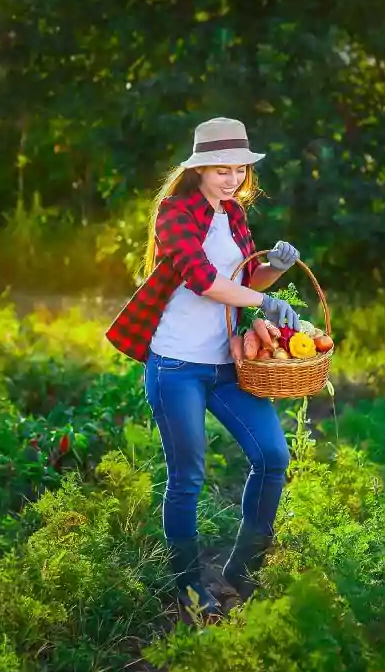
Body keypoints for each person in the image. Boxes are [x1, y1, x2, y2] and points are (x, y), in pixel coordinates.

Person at [106, 116, 301, 619]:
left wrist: (274, 268)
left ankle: (243, 568)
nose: (232, 178)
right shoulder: (174, 213)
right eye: (222, 169)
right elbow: (204, 280)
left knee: (273, 456)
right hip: (176, 366)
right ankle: (188, 585)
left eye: (239, 169)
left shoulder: (234, 213)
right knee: (188, 476)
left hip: (225, 365)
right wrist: (263, 299)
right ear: (198, 169)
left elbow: (242, 275)